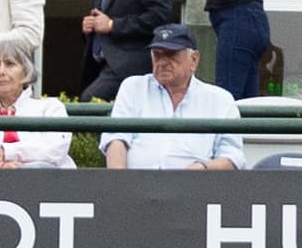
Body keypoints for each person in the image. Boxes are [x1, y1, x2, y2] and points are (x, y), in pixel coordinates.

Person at [103, 24, 248, 168]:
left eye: (171, 54)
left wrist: (204, 168)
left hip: (196, 187)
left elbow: (233, 157)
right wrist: (119, 186)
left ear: (194, 60)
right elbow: (116, 139)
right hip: (137, 186)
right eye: (157, 55)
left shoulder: (219, 99)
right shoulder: (134, 87)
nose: (163, 62)